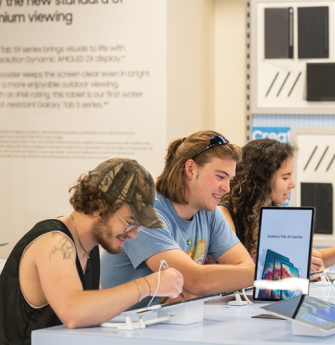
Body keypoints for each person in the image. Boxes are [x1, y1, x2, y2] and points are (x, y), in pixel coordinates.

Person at [0, 158, 184, 345]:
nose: (134, 235)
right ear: (99, 206)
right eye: (130, 223)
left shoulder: (89, 247)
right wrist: (148, 284)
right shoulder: (53, 242)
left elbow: (91, 314)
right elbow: (74, 313)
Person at [101, 130, 255, 307]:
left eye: (230, 179)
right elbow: (196, 281)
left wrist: (253, 274)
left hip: (173, 323)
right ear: (190, 169)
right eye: (220, 177)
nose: (227, 188)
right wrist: (269, 275)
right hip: (127, 327)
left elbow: (244, 266)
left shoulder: (209, 212)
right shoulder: (145, 213)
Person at [219, 138, 335, 271]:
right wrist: (294, 268)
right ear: (261, 179)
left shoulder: (271, 215)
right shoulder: (225, 217)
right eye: (285, 177)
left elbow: (311, 257)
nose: (292, 184)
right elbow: (236, 273)